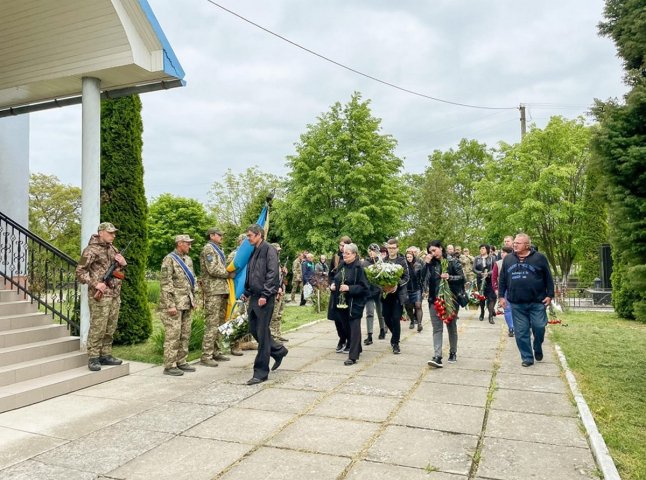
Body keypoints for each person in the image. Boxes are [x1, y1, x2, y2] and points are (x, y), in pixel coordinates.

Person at [76, 222, 127, 371]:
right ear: (101, 232)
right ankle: (93, 357)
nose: (114, 235)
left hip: (114, 294)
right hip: (100, 295)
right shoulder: (89, 250)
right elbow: (79, 271)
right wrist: (95, 283)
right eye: (110, 233)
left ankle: (105, 354)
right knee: (98, 326)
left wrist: (122, 264)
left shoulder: (113, 249)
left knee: (110, 326)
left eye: (114, 233)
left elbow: (117, 270)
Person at [242, 224, 288, 385]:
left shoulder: (269, 250)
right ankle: (278, 350)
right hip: (254, 296)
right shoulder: (253, 251)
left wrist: (266, 294)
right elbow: (251, 273)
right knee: (254, 329)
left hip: (264, 297)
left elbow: (272, 274)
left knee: (262, 333)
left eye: (250, 236)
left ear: (259, 235)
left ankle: (260, 372)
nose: (248, 238)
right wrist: (246, 291)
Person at [499, 233, 555, 367]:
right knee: (521, 332)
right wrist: (501, 296)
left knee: (539, 327)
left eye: (518, 243)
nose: (515, 245)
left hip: (537, 301)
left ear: (527, 245)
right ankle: (527, 357)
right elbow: (502, 279)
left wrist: (550, 295)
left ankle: (537, 346)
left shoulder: (539, 258)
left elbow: (548, 278)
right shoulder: (508, 260)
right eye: (515, 243)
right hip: (517, 303)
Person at [159, 235, 197, 376]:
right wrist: (170, 304)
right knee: (173, 335)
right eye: (187, 243)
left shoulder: (188, 259)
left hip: (186, 302)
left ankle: (181, 361)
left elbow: (191, 281)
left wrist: (194, 299)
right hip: (174, 304)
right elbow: (165, 283)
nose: (190, 246)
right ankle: (169, 365)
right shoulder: (169, 259)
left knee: (185, 334)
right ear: (179, 243)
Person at [424, 240, 465, 368]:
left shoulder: (452, 261)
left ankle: (453, 352)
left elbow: (462, 277)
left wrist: (450, 277)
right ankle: (438, 356)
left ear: (440, 248)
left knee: (451, 326)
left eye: (434, 250)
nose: (432, 253)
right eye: (430, 251)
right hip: (434, 299)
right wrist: (425, 265)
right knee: (437, 329)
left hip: (450, 299)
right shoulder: (430, 264)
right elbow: (421, 278)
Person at [329, 243, 369, 365]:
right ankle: (358, 348)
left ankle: (353, 356)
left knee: (354, 327)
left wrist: (349, 288)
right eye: (343, 253)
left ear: (354, 254)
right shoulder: (342, 265)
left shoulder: (359, 268)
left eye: (348, 253)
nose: (344, 255)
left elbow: (365, 287)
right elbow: (335, 277)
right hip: (341, 302)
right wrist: (333, 285)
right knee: (346, 327)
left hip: (354, 303)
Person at [199, 227, 234, 367]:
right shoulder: (209, 249)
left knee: (220, 323)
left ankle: (216, 351)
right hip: (213, 290)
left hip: (221, 289)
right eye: (219, 235)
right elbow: (212, 269)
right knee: (212, 323)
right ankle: (206, 355)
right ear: (212, 235)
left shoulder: (218, 249)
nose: (221, 237)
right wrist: (228, 274)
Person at [382, 238, 409, 354]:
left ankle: (395, 343)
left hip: (398, 295)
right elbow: (379, 277)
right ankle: (395, 335)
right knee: (386, 317)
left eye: (393, 248)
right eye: (389, 248)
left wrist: (397, 285)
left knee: (395, 318)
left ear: (397, 248)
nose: (391, 250)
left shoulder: (402, 261)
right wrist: (383, 286)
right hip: (386, 295)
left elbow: (406, 277)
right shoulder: (383, 261)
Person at [328, 236, 352, 352]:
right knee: (336, 318)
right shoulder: (336, 257)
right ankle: (342, 338)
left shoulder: (351, 257)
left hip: (347, 293)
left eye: (344, 245)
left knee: (346, 319)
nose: (341, 248)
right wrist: (331, 283)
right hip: (335, 293)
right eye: (340, 245)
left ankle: (349, 340)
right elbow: (331, 274)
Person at [226, 234, 246, 356]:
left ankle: (242, 342)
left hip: (245, 289)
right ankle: (233, 345)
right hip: (236, 288)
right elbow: (228, 271)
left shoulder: (248, 255)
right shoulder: (234, 255)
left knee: (243, 317)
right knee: (234, 317)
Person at [362, 244, 386, 344]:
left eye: (374, 250)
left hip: (378, 291)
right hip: (368, 292)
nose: (372, 252)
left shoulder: (381, 263)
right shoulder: (364, 263)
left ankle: (382, 330)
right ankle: (370, 335)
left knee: (380, 313)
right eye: (371, 250)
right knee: (369, 313)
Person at [493, 245, 514, 336]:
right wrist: (496, 289)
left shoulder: (516, 261)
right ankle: (511, 328)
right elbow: (494, 278)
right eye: (501, 252)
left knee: (516, 309)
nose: (502, 254)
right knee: (507, 309)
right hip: (504, 290)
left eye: (504, 252)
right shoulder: (498, 263)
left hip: (515, 289)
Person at [270, 243, 289, 342]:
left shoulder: (277, 261)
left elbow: (279, 274)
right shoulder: (270, 261)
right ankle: (273, 336)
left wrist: (284, 271)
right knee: (274, 314)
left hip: (281, 289)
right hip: (275, 290)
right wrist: (276, 287)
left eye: (279, 250)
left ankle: (278, 334)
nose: (278, 252)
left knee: (279, 313)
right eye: (277, 250)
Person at [473, 244, 496, 323]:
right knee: (482, 297)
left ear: (487, 249)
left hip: (490, 280)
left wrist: (488, 273)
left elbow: (494, 269)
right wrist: (480, 273)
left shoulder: (492, 258)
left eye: (483, 248)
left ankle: (490, 316)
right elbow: (474, 269)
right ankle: (482, 312)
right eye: (480, 249)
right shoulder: (477, 258)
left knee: (491, 298)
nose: (481, 250)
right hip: (480, 280)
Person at [404, 248, 424, 332]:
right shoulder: (404, 267)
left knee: (418, 306)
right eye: (407, 257)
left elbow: (422, 278)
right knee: (409, 307)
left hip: (417, 289)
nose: (409, 258)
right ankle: (412, 320)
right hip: (407, 290)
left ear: (413, 256)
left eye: (410, 257)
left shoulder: (418, 265)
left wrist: (425, 289)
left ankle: (419, 324)